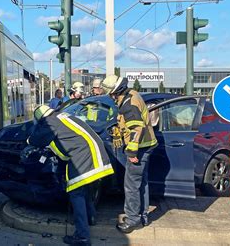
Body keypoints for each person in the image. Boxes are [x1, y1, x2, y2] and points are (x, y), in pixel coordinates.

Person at [28, 105, 114, 245]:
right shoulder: (62, 116)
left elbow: (36, 140)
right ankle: (90, 218)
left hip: (83, 156)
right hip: (94, 152)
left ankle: (82, 236)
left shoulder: (51, 122)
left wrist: (30, 137)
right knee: (85, 190)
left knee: (75, 193)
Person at [101, 74, 158, 233]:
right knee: (142, 183)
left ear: (114, 91)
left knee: (131, 185)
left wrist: (132, 151)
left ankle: (133, 220)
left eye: (111, 94)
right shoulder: (133, 94)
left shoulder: (128, 103)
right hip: (147, 144)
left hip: (139, 149)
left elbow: (136, 128)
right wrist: (119, 130)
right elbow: (132, 123)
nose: (111, 97)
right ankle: (143, 215)